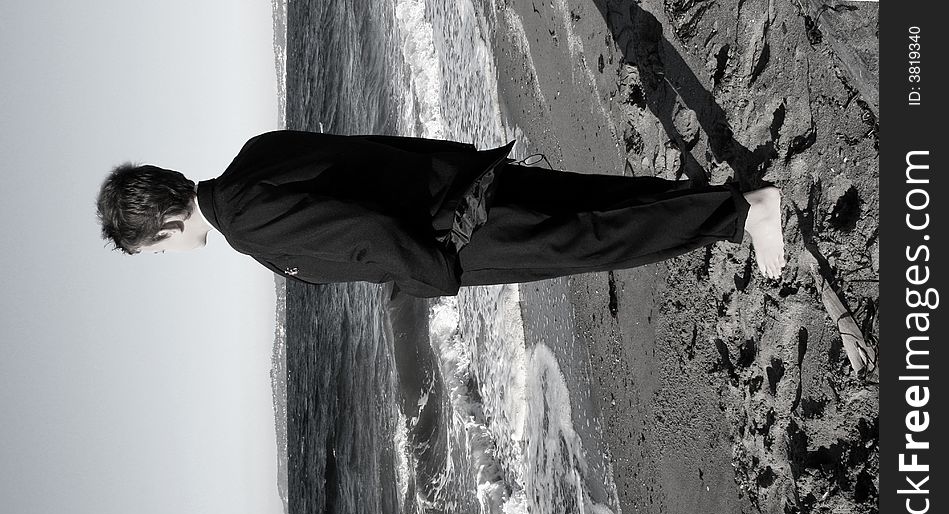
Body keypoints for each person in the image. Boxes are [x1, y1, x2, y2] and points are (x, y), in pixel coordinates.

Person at [96, 130, 784, 297]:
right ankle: (724, 203)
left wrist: (436, 276)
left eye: (152, 251)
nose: (163, 257)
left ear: (160, 225)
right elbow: (365, 158)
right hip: (455, 182)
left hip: (456, 232)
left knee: (590, 237)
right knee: (587, 203)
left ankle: (741, 214)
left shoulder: (243, 221)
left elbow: (362, 234)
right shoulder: (251, 158)